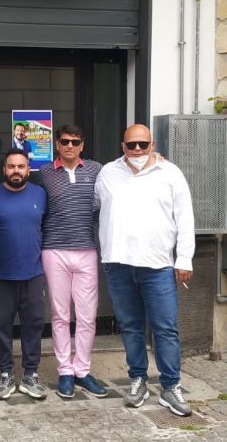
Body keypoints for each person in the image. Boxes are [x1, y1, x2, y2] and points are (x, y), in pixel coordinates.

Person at [94, 124, 195, 417]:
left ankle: (171, 386)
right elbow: (93, 204)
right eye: (131, 145)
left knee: (165, 328)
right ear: (122, 146)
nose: (137, 150)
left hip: (158, 266)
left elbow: (185, 217)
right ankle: (138, 380)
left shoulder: (170, 173)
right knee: (130, 327)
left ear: (152, 144)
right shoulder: (107, 173)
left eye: (143, 144)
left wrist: (184, 258)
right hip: (119, 264)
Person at [38, 125, 108, 399]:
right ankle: (65, 371)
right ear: (57, 144)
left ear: (82, 145)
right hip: (54, 250)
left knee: (88, 316)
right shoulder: (44, 173)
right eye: (65, 141)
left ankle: (82, 370)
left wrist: (154, 158)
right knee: (60, 315)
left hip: (86, 250)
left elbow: (121, 177)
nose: (69, 146)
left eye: (75, 142)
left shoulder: (96, 169)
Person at [0, 148, 48, 401]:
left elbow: (46, 226)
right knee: (2, 326)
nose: (16, 171)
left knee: (33, 325)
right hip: (1, 274)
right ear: (4, 169)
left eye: (21, 166)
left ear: (28, 170)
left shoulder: (40, 194)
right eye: (11, 166)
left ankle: (30, 374)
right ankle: (5, 374)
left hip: (33, 272)